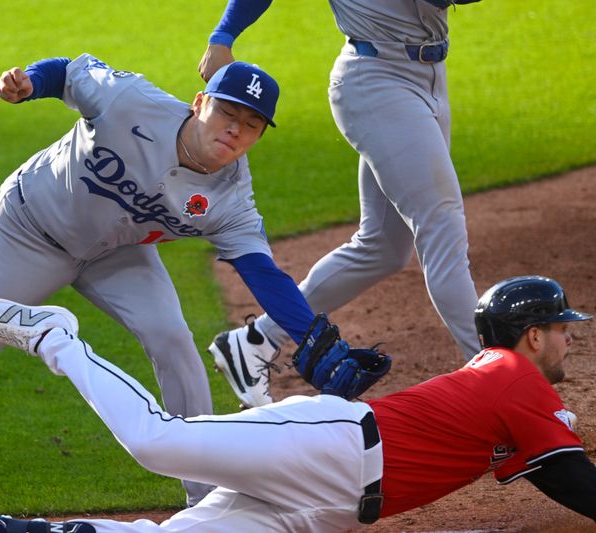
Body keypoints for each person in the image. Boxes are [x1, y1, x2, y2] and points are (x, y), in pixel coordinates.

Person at [0, 54, 317, 505]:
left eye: (251, 124)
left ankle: (202, 499)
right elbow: (70, 73)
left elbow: (262, 274)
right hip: (32, 230)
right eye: (228, 111)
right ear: (200, 101)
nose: (235, 129)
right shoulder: (129, 100)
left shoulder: (233, 197)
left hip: (116, 254)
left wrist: (317, 337)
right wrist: (29, 82)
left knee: (173, 339)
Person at [0, 275, 595, 532]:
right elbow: (570, 475)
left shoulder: (502, 382)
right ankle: (55, 336)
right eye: (563, 328)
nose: (569, 339)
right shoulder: (516, 376)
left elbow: (550, 468)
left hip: (328, 508)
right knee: (154, 440)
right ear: (532, 334)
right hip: (332, 446)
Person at [199, 0, 485, 408]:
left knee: (384, 247)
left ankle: (257, 340)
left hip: (427, 78)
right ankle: (500, 380)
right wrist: (224, 35)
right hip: (379, 83)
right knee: (440, 224)